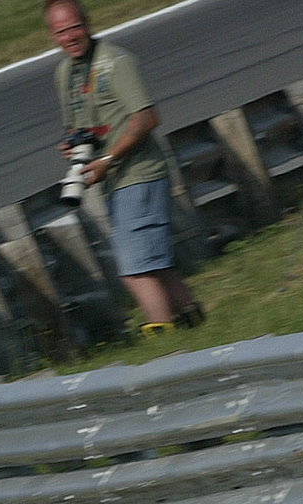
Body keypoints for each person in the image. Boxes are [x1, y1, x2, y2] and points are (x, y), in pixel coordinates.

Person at [45, 0, 204, 335]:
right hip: (113, 180)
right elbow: (79, 128)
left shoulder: (116, 63)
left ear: (87, 23)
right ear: (53, 35)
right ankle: (196, 328)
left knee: (135, 271)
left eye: (75, 27)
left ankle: (164, 344)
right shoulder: (65, 74)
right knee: (156, 266)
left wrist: (107, 159)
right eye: (61, 32)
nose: (70, 37)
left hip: (138, 174)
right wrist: (73, 146)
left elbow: (147, 118)